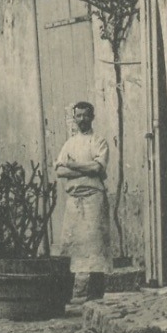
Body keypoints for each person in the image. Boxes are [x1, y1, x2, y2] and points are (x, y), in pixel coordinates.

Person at [55, 101, 111, 301]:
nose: (82, 119)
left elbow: (97, 168)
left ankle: (94, 296)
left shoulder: (99, 141)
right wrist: (84, 168)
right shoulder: (69, 144)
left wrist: (73, 165)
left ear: (92, 117)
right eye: (78, 116)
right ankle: (65, 296)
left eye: (86, 115)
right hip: (74, 200)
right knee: (70, 245)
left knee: (95, 246)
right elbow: (60, 171)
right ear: (74, 118)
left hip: (94, 198)